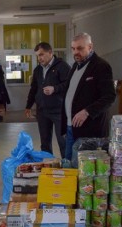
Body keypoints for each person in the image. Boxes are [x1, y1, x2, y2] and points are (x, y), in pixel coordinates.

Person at [62, 33, 116, 161]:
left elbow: (109, 96)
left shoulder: (101, 66)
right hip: (71, 127)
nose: (76, 52)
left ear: (90, 47)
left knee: (83, 169)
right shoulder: (75, 66)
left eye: (80, 48)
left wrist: (87, 112)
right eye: (73, 48)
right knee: (69, 164)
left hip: (89, 129)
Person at [25, 42, 71, 157]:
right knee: (45, 143)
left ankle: (66, 166)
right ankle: (48, 167)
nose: (39, 58)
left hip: (59, 111)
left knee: (63, 142)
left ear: (50, 52)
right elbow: (34, 89)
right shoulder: (38, 70)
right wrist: (28, 106)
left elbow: (69, 84)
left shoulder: (62, 66)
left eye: (41, 54)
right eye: (37, 56)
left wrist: (54, 89)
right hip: (42, 111)